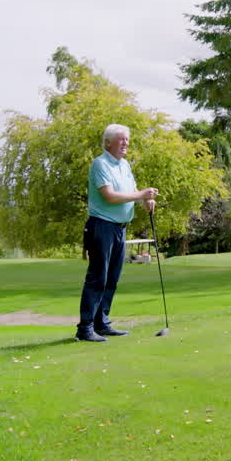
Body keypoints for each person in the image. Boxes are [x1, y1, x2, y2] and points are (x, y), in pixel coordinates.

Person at [76, 124, 158, 342]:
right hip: (101, 226)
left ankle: (101, 323)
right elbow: (110, 196)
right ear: (108, 142)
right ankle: (85, 328)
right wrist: (141, 194)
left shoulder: (125, 165)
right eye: (121, 140)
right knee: (98, 278)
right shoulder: (100, 164)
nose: (125, 144)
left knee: (112, 278)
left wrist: (145, 201)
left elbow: (131, 194)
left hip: (120, 228)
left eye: (127, 140)